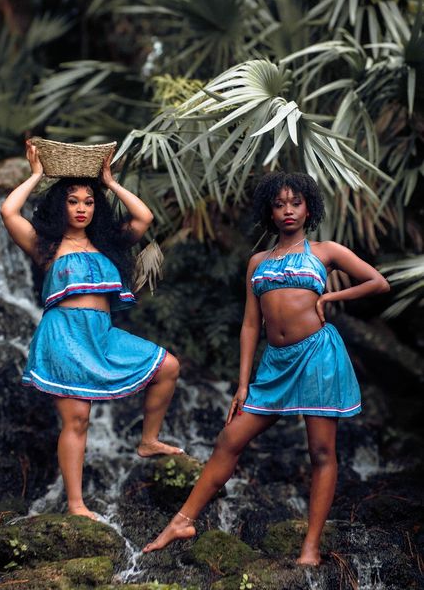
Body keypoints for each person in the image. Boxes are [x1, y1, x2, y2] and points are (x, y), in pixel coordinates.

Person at [142, 172, 390, 564]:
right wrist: (243, 384)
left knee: (322, 451)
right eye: (279, 204)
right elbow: (250, 325)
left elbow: (378, 282)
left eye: (295, 203)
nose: (288, 210)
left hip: (317, 356)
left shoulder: (325, 251)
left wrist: (331, 297)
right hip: (275, 365)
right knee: (229, 439)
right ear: (269, 212)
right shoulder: (257, 261)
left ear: (309, 208)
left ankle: (310, 547)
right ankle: (182, 521)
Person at [1, 140, 182, 520]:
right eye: (73, 201)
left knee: (168, 367)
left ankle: (148, 441)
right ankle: (76, 504)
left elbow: (144, 218)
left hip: (102, 334)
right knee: (77, 419)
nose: (82, 207)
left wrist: (110, 183)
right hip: (64, 334)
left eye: (88, 201)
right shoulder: (46, 245)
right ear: (59, 206)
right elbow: (8, 210)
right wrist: (37, 175)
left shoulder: (106, 243)